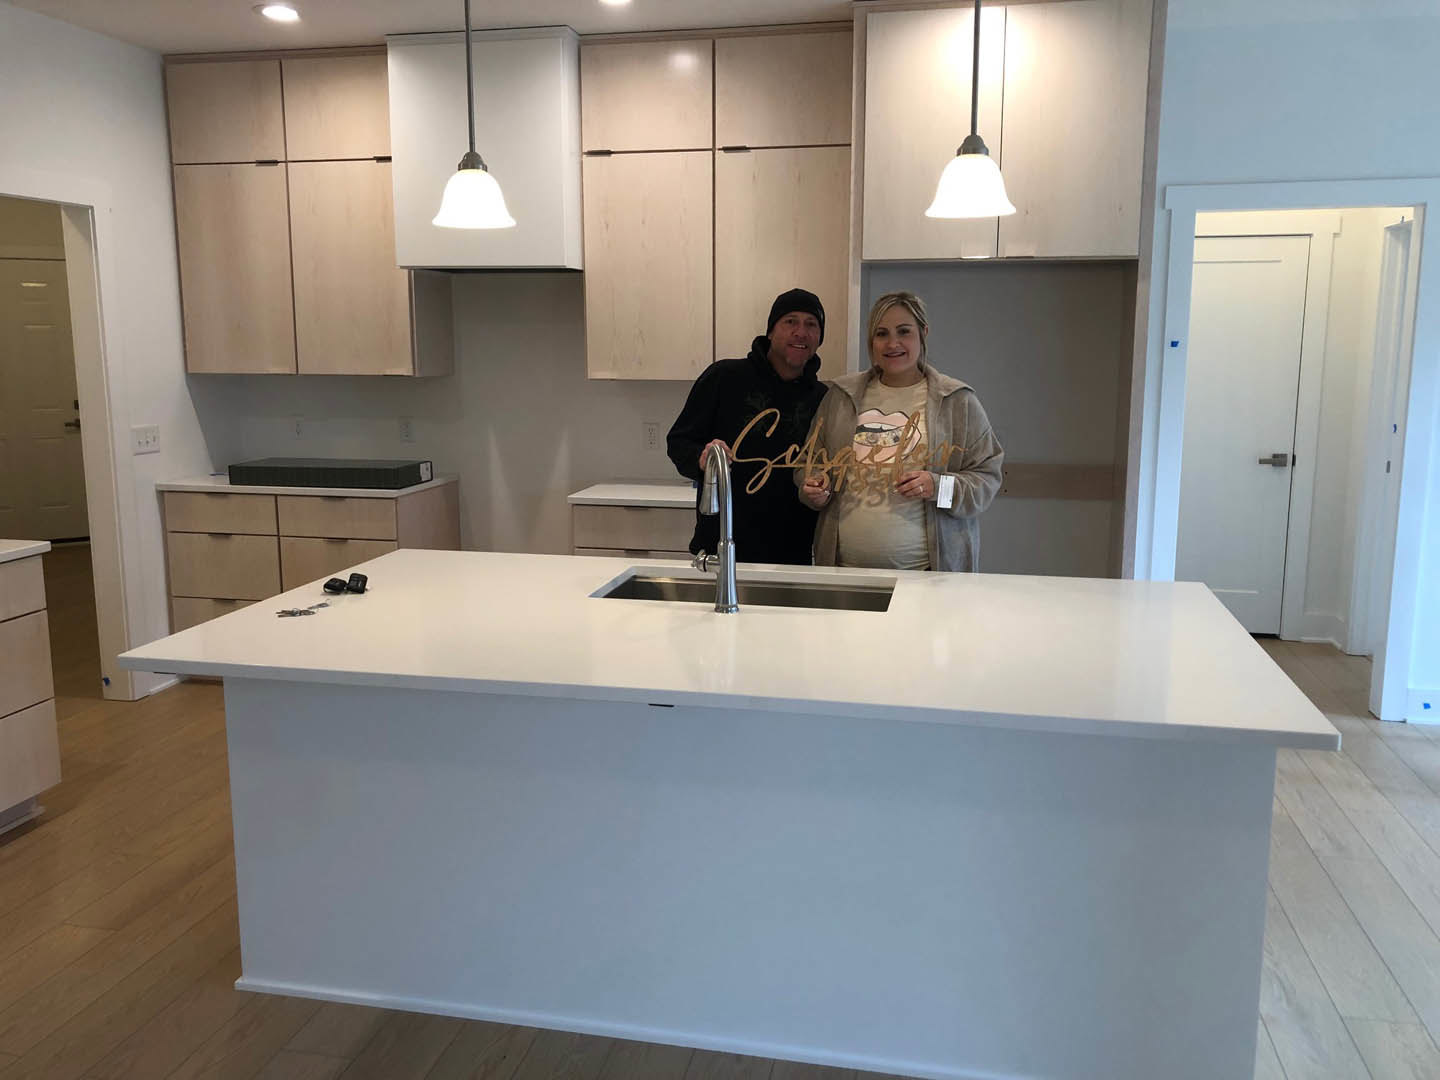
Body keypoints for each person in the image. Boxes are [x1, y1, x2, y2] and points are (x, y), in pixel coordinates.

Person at [797, 290, 1003, 571]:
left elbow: (987, 479)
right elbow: (808, 465)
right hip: (843, 573)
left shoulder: (957, 401)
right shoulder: (840, 396)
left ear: (923, 333)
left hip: (930, 579)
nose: (892, 343)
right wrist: (814, 488)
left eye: (904, 331)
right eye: (881, 334)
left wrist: (937, 486)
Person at [667, 288, 830, 565]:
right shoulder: (724, 378)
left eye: (811, 324)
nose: (801, 332)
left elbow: (826, 463)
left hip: (792, 555)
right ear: (770, 331)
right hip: (719, 550)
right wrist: (703, 459)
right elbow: (679, 443)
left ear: (819, 338)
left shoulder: (823, 398)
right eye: (790, 321)